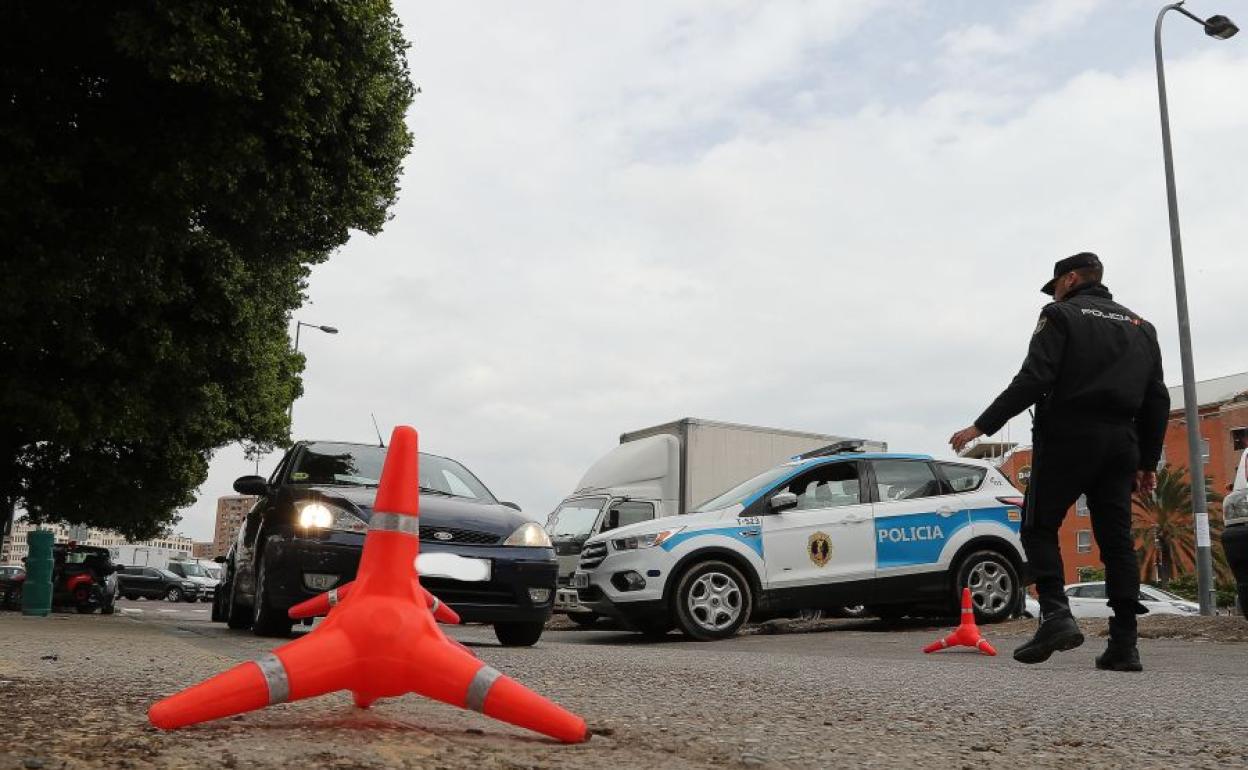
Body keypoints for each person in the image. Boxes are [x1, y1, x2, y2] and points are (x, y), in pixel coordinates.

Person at [949, 252, 1169, 671]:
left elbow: (1036, 377)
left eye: (1056, 285)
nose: (1055, 292)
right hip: (1122, 441)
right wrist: (1147, 462)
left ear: (1069, 279)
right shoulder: (1142, 327)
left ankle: (1055, 615)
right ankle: (1125, 643)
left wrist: (982, 427)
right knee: (1117, 541)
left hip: (1069, 435)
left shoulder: (1061, 314)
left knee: (1038, 525)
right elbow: (1158, 398)